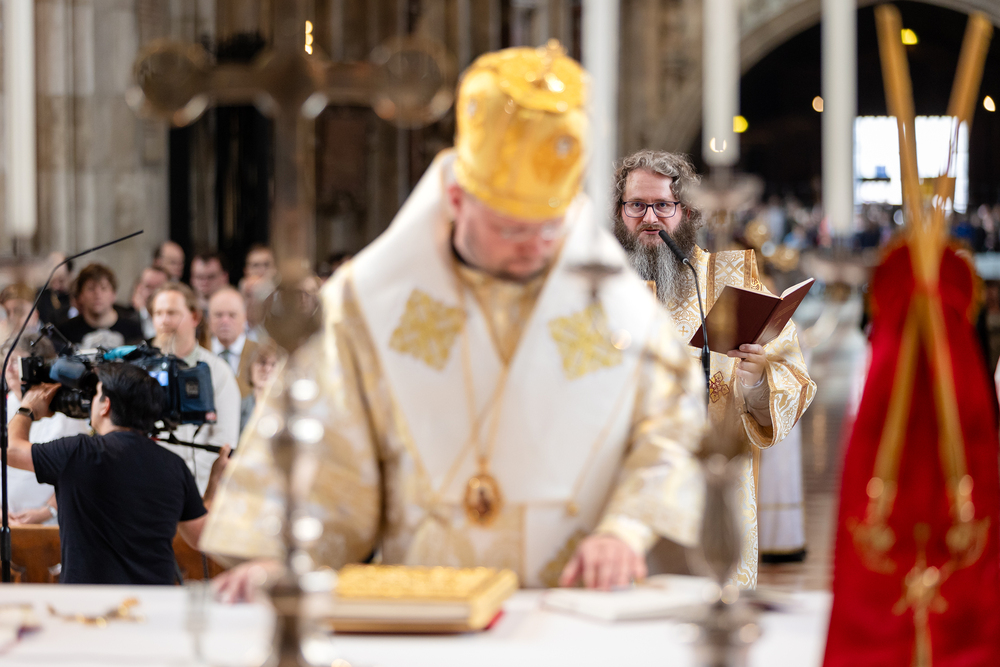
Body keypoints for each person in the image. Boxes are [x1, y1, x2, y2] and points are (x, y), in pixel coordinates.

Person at [201, 42, 707, 601]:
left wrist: (625, 529)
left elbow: (671, 430)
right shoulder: (373, 303)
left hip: (575, 606)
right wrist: (281, 555)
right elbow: (327, 449)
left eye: (550, 228)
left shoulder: (616, 307)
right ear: (458, 200)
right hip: (426, 610)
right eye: (511, 229)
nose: (535, 247)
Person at [612, 149, 816, 588]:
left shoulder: (729, 281)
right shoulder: (597, 290)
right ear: (619, 212)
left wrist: (757, 378)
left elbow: (793, 381)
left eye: (663, 205)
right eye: (636, 205)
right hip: (619, 501)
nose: (649, 218)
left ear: (686, 212)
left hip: (713, 499)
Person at [5, 362, 230, 585]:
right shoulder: (174, 466)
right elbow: (201, 537)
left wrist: (27, 409)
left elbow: (10, 450)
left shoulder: (77, 453)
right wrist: (215, 481)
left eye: (96, 394)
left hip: (85, 601)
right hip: (153, 599)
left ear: (106, 405)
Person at [149, 282, 240, 494]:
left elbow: (224, 440)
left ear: (195, 317)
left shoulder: (217, 371)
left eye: (172, 313)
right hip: (145, 485)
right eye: (158, 313)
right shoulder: (141, 368)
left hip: (195, 487)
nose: (164, 320)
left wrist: (183, 477)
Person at [3, 334, 91, 524]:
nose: (8, 368)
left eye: (16, 361)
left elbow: (79, 472)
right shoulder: (5, 404)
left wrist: (47, 511)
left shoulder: (64, 411)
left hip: (49, 522)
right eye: (5, 361)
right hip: (6, 520)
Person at [60, 263, 144, 348]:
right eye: (91, 289)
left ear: (114, 294)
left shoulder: (133, 329)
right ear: (80, 295)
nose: (98, 294)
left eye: (103, 288)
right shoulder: (66, 332)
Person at [207, 287, 259, 399]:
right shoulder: (200, 352)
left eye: (232, 315)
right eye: (218, 315)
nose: (225, 321)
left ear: (244, 317)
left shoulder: (260, 353)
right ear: (209, 318)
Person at [239, 341, 279, 434]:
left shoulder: (278, 407)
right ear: (249, 366)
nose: (267, 369)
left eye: (273, 364)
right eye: (262, 362)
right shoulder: (242, 404)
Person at [123, 266, 169, 340]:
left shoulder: (176, 321)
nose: (153, 292)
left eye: (159, 287)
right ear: (139, 288)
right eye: (148, 286)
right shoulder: (127, 321)